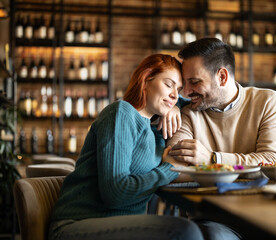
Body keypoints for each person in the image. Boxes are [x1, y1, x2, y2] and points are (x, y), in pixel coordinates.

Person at [48, 54, 204, 240]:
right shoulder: (121, 113)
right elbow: (115, 193)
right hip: (78, 224)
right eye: (169, 84)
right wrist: (169, 169)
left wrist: (176, 106)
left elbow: (196, 103)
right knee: (184, 231)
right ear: (145, 81)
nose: (174, 94)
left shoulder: (154, 128)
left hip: (120, 226)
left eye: (178, 89)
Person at [168, 37, 276, 167]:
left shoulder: (266, 102)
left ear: (222, 77)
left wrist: (213, 159)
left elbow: (275, 160)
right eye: (185, 83)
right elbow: (174, 168)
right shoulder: (188, 112)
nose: (186, 91)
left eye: (195, 82)